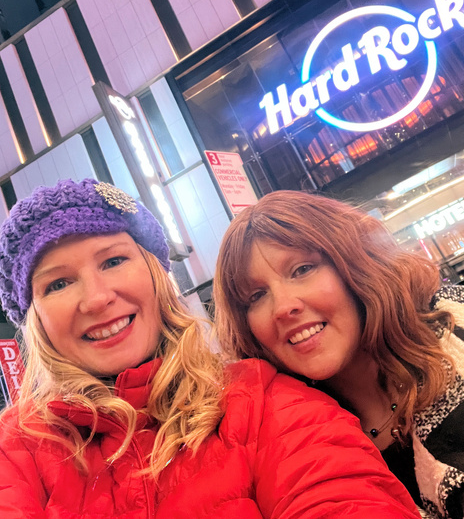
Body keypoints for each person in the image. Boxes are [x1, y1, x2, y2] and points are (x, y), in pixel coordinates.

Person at [0, 179, 420, 519]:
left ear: (157, 276)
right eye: (58, 283)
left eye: (113, 261)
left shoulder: (261, 402)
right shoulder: (13, 449)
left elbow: (339, 494)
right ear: (34, 318)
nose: (95, 299)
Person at [214, 190, 464, 519]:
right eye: (256, 295)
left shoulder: (454, 323)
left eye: (302, 269)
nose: (283, 307)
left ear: (353, 262)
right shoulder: (289, 439)